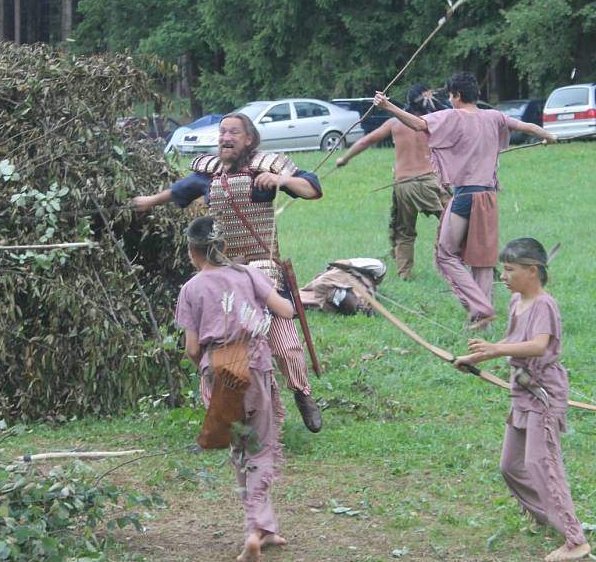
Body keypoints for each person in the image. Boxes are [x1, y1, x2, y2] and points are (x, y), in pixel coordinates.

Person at [133, 113, 324, 432]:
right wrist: (148, 202)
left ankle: (302, 393)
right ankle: (243, 411)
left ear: (249, 139)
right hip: (226, 277)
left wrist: (282, 181)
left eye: (233, 132)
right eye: (222, 132)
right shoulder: (207, 175)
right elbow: (178, 193)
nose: (226, 137)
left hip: (265, 272)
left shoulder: (267, 166)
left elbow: (312, 189)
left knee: (286, 345)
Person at [373, 72, 556, 329]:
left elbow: (417, 124)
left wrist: (387, 106)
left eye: (450, 95)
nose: (449, 99)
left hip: (465, 196)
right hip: (489, 196)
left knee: (445, 253)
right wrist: (548, 136)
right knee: (481, 259)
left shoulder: (451, 116)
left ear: (457, 95)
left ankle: (480, 306)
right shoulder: (494, 116)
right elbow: (527, 127)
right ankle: (485, 321)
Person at [455, 238, 590, 562]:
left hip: (544, 394)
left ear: (532, 271)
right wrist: (477, 357)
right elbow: (516, 340)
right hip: (522, 392)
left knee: (541, 464)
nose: (503, 275)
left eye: (509, 269)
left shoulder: (544, 304)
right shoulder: (517, 301)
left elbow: (539, 345)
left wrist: (496, 350)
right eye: (503, 268)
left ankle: (576, 540)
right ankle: (548, 515)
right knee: (512, 465)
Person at [176, 216, 291, 562]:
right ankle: (256, 528)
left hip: (220, 369)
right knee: (260, 447)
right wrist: (272, 285)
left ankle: (262, 527)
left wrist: (206, 373)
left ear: (193, 253)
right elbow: (285, 309)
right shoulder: (248, 274)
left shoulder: (191, 289)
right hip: (256, 366)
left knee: (242, 449)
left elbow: (192, 349)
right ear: (224, 247)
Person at [336, 84, 451, 279]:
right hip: (430, 182)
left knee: (404, 232)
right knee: (456, 224)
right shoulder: (433, 122)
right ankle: (469, 266)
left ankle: (404, 273)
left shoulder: (394, 124)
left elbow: (366, 141)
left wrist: (344, 159)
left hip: (404, 185)